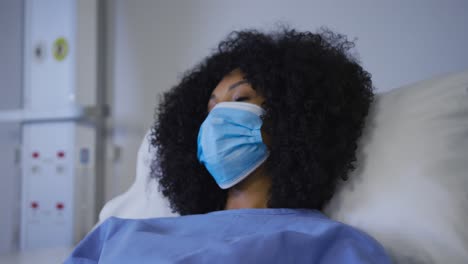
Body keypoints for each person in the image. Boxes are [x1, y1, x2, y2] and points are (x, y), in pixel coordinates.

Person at [65, 28, 392, 263]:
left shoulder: (334, 247)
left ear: (294, 116)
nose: (215, 122)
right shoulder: (118, 235)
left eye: (240, 99)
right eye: (209, 109)